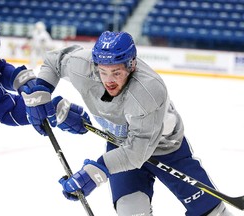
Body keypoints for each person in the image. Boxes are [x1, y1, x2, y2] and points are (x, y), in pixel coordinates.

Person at [21, 31, 233, 215]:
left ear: (131, 65)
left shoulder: (148, 91)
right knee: (131, 211)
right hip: (122, 144)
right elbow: (54, 60)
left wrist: (95, 171)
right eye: (103, 71)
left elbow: (136, 152)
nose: (108, 80)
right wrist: (41, 91)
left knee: (212, 213)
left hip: (168, 149)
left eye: (116, 72)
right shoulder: (82, 66)